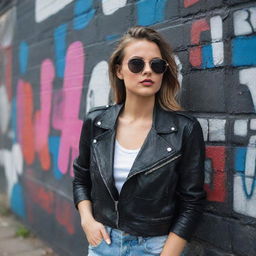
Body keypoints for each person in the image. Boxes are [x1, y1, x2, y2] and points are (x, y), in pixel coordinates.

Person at [73, 26, 206, 256]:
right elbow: (81, 178)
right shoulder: (97, 122)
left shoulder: (185, 129)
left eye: (156, 65)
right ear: (119, 71)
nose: (148, 71)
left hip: (154, 248)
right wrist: (87, 220)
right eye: (136, 64)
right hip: (102, 243)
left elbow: (192, 202)